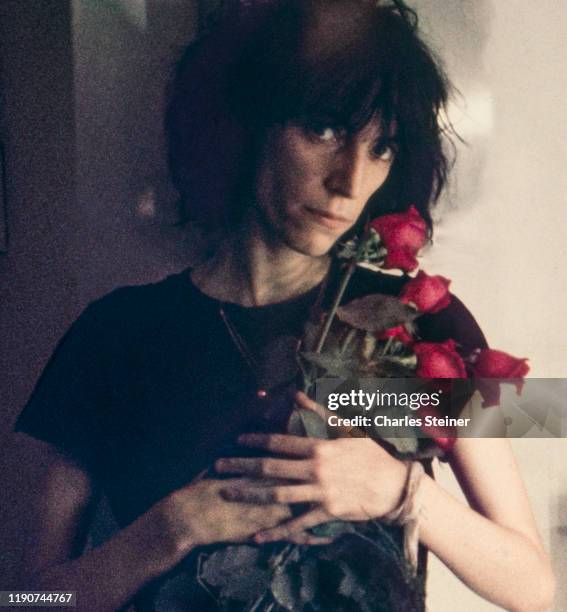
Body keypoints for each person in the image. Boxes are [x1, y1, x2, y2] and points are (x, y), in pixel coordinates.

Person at [14, 0, 555, 610]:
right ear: (248, 123)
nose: (350, 180)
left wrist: (404, 494)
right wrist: (167, 532)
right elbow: (29, 601)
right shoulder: (116, 333)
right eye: (323, 130)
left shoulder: (420, 320)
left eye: (382, 147)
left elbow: (534, 587)